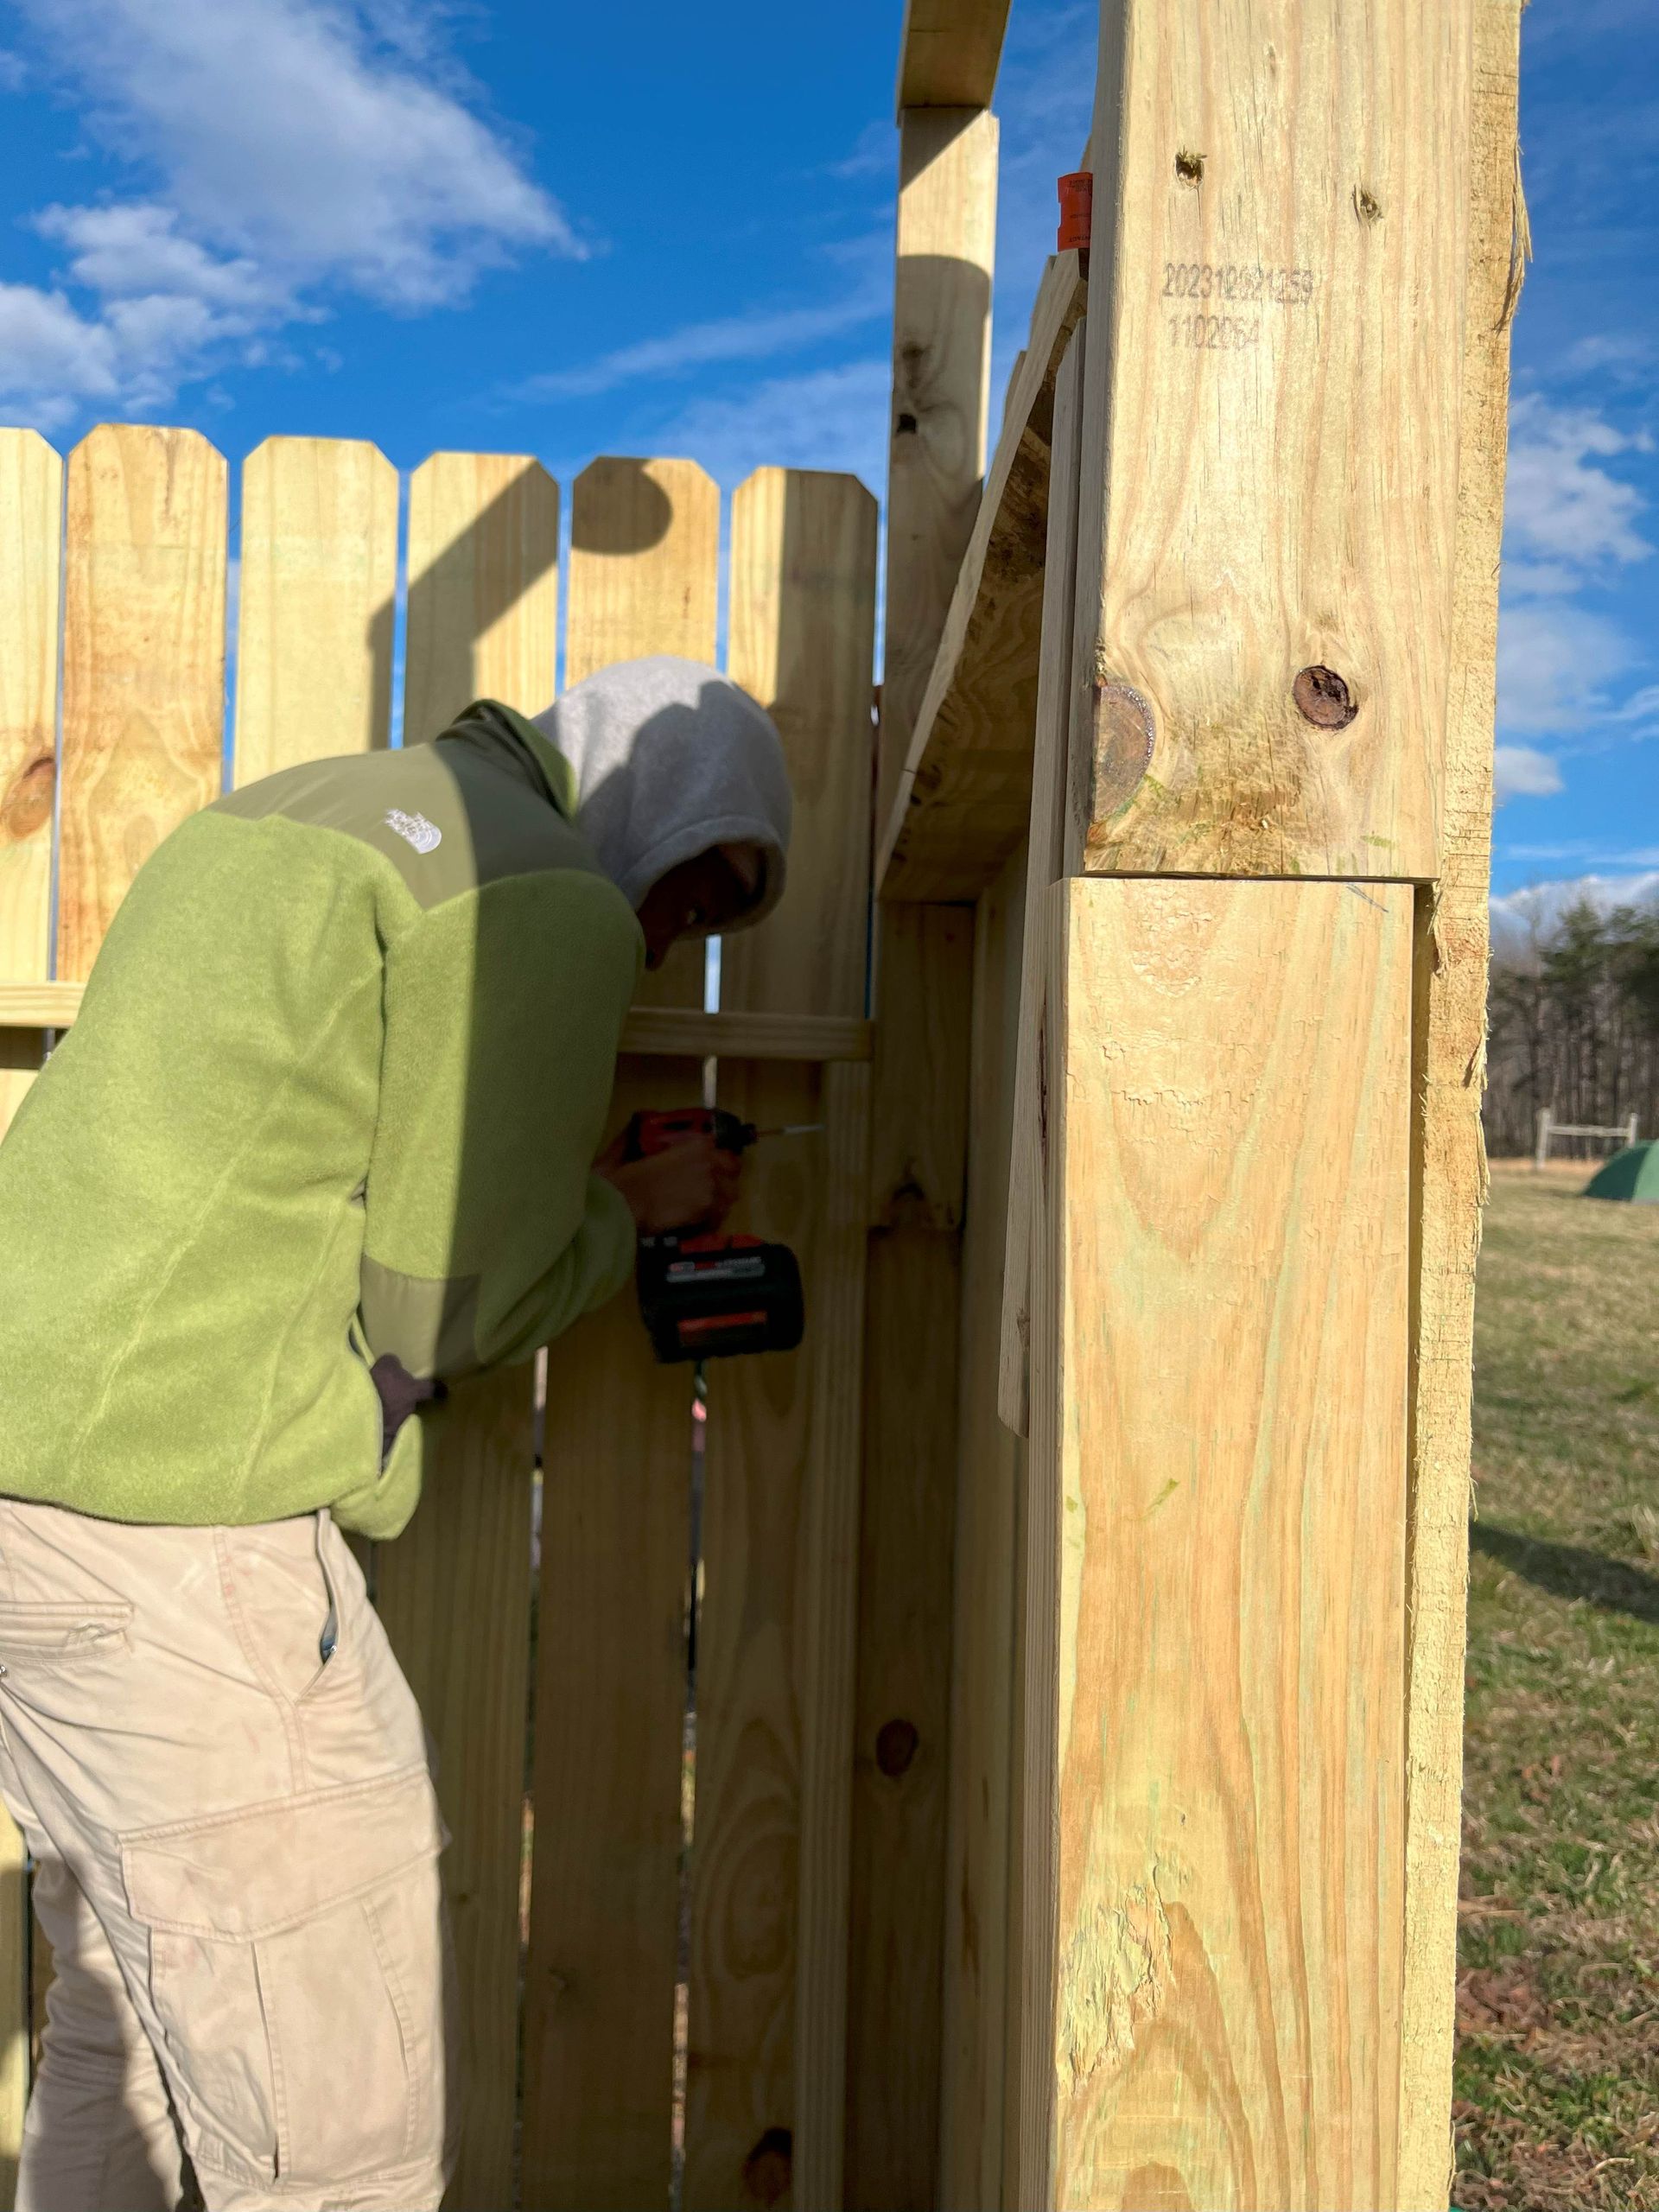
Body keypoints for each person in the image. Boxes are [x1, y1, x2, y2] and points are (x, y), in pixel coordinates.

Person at [0, 653, 791, 2211]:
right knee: (337, 2141)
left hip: (38, 1508)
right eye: (692, 895)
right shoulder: (542, 889)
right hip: (177, 1533)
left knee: (132, 2049)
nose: (666, 947)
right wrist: (621, 1219)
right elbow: (453, 1307)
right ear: (656, 807)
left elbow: (288, 1146)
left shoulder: (299, 810)